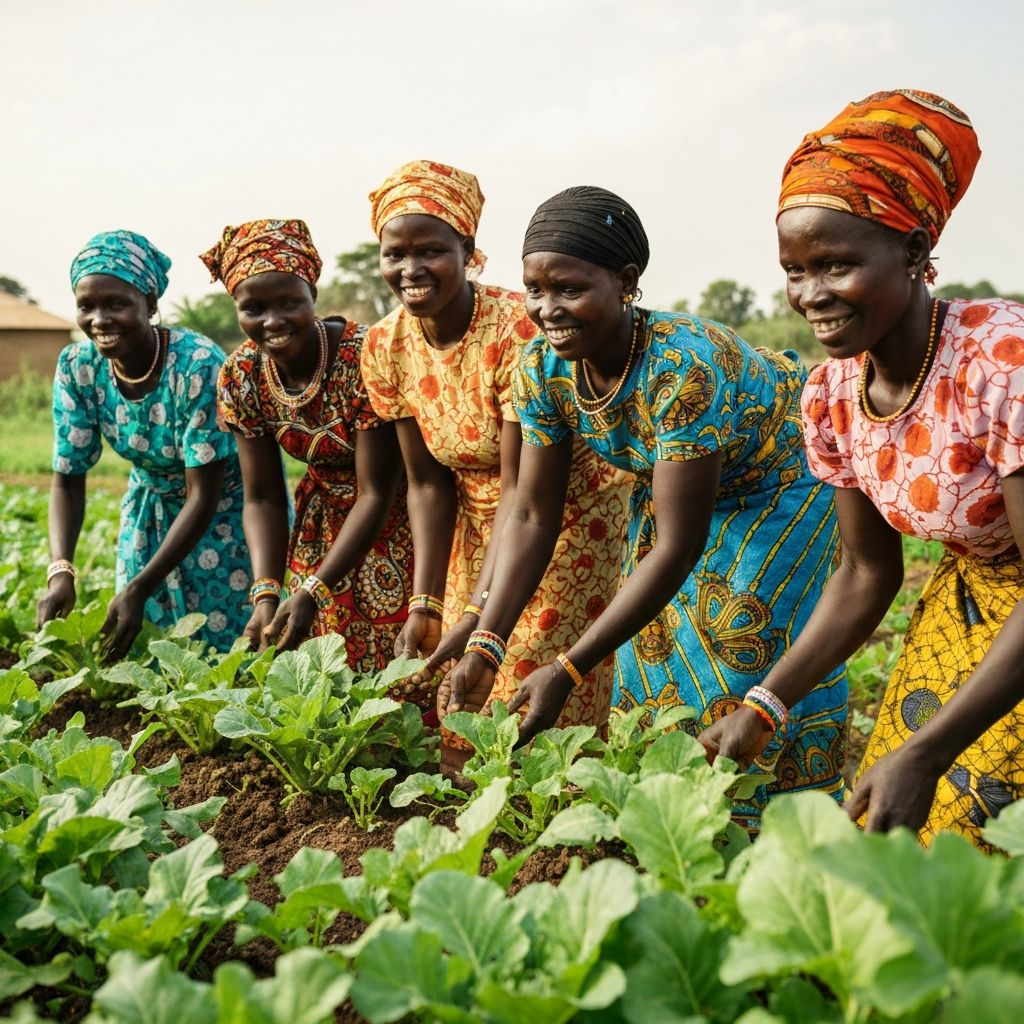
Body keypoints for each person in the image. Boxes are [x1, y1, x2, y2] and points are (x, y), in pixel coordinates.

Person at [440, 186, 847, 830]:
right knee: (650, 656)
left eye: (568, 289)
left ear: (626, 281)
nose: (547, 310)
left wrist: (568, 668)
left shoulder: (684, 366)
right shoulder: (542, 366)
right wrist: (487, 643)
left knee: (742, 644)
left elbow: (678, 548)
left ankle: (781, 827)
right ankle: (670, 821)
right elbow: (529, 515)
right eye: (534, 290)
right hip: (678, 486)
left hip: (778, 483)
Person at [701, 89, 1023, 846]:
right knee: (886, 823)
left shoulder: (999, 362)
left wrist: (930, 751)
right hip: (974, 601)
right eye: (795, 270)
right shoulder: (833, 395)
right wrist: (765, 705)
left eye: (838, 264)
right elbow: (864, 572)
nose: (812, 295)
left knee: (977, 831)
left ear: (914, 253)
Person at [360, 161, 632, 760]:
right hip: (474, 523)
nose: (411, 270)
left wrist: (480, 611)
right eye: (394, 253)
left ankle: (555, 833)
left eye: (430, 250)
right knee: (459, 683)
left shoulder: (516, 330)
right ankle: (476, 829)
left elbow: (522, 491)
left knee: (528, 675)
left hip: (563, 512)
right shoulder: (384, 346)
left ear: (468, 251)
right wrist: (427, 602)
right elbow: (427, 485)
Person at [206, 219, 412, 672]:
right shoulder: (241, 375)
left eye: (288, 302)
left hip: (398, 522)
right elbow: (261, 494)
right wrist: (267, 589)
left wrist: (314, 588)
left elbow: (376, 491)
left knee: (396, 668)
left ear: (312, 295)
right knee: (315, 668)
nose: (273, 321)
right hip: (319, 524)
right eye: (253, 308)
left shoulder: (363, 357)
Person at [38, 230, 251, 656]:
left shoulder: (196, 365)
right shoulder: (79, 367)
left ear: (151, 305)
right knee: (146, 649)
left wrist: (140, 586)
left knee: (227, 651)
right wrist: (60, 569)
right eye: (87, 306)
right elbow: (68, 477)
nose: (99, 319)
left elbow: (202, 495)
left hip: (225, 514)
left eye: (116, 304)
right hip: (149, 507)